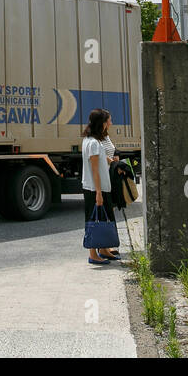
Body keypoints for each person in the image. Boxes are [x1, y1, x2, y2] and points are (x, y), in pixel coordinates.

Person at [81, 108, 120, 264]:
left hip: (99, 187)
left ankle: (103, 250)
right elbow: (95, 170)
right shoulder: (94, 144)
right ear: (102, 124)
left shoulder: (88, 141)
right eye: (108, 120)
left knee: (104, 218)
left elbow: (103, 162)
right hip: (95, 188)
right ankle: (93, 254)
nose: (109, 123)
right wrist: (98, 193)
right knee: (94, 220)